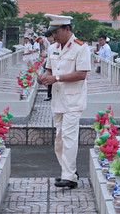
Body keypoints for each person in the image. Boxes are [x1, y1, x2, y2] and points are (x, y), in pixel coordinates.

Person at [38, 14, 91, 189]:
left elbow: (82, 74)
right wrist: (43, 78)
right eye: (52, 32)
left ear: (67, 29)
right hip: (58, 100)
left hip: (73, 100)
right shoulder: (53, 48)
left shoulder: (80, 48)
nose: (54, 36)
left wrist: (56, 78)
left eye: (57, 32)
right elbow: (49, 69)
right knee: (59, 139)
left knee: (69, 137)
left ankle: (68, 176)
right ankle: (69, 172)